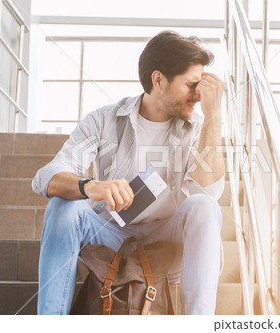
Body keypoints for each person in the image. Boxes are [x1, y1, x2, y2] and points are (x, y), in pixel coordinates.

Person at [32, 30, 225, 315]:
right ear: (158, 79)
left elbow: (206, 195)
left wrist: (214, 116)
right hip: (109, 233)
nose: (198, 95)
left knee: (204, 207)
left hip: (166, 234)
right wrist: (90, 186)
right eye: (191, 84)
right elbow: (46, 177)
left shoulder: (199, 128)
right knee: (63, 207)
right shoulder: (105, 120)